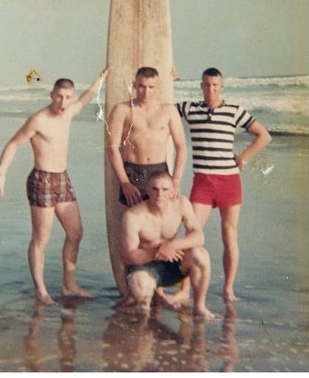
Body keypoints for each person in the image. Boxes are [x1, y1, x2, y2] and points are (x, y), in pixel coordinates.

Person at [0, 67, 109, 305]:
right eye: (59, 96)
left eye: (67, 97)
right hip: (42, 180)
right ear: (51, 95)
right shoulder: (39, 119)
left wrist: (102, 76)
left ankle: (69, 285)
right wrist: (1, 173)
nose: (63, 102)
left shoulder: (68, 112)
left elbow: (88, 96)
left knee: (76, 233)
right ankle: (41, 291)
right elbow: (13, 144)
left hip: (63, 179)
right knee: (41, 238)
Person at [176, 67, 272, 302]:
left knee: (229, 236)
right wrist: (170, 80)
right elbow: (163, 107)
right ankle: (183, 290)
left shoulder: (234, 111)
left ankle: (228, 289)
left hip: (229, 181)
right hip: (202, 183)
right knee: (192, 234)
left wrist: (242, 157)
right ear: (201, 86)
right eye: (206, 85)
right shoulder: (190, 109)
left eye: (215, 85)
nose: (211, 89)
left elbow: (264, 135)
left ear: (222, 87)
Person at [107, 66, 190, 304]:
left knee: (162, 232)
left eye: (151, 87)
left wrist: (175, 179)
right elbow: (112, 148)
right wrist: (124, 181)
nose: (146, 91)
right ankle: (130, 291)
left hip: (160, 172)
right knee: (130, 235)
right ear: (135, 85)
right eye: (141, 86)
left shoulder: (168, 111)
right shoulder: (122, 110)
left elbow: (181, 146)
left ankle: (159, 288)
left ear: (157, 88)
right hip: (132, 173)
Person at [121, 171, 213, 319]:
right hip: (145, 265)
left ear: (172, 191)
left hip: (172, 262)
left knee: (200, 255)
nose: (160, 194)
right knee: (142, 291)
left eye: (165, 190)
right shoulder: (133, 216)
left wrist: (172, 245)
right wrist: (157, 251)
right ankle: (143, 327)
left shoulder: (181, 204)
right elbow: (129, 256)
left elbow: (198, 237)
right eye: (155, 189)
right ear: (147, 190)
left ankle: (199, 307)